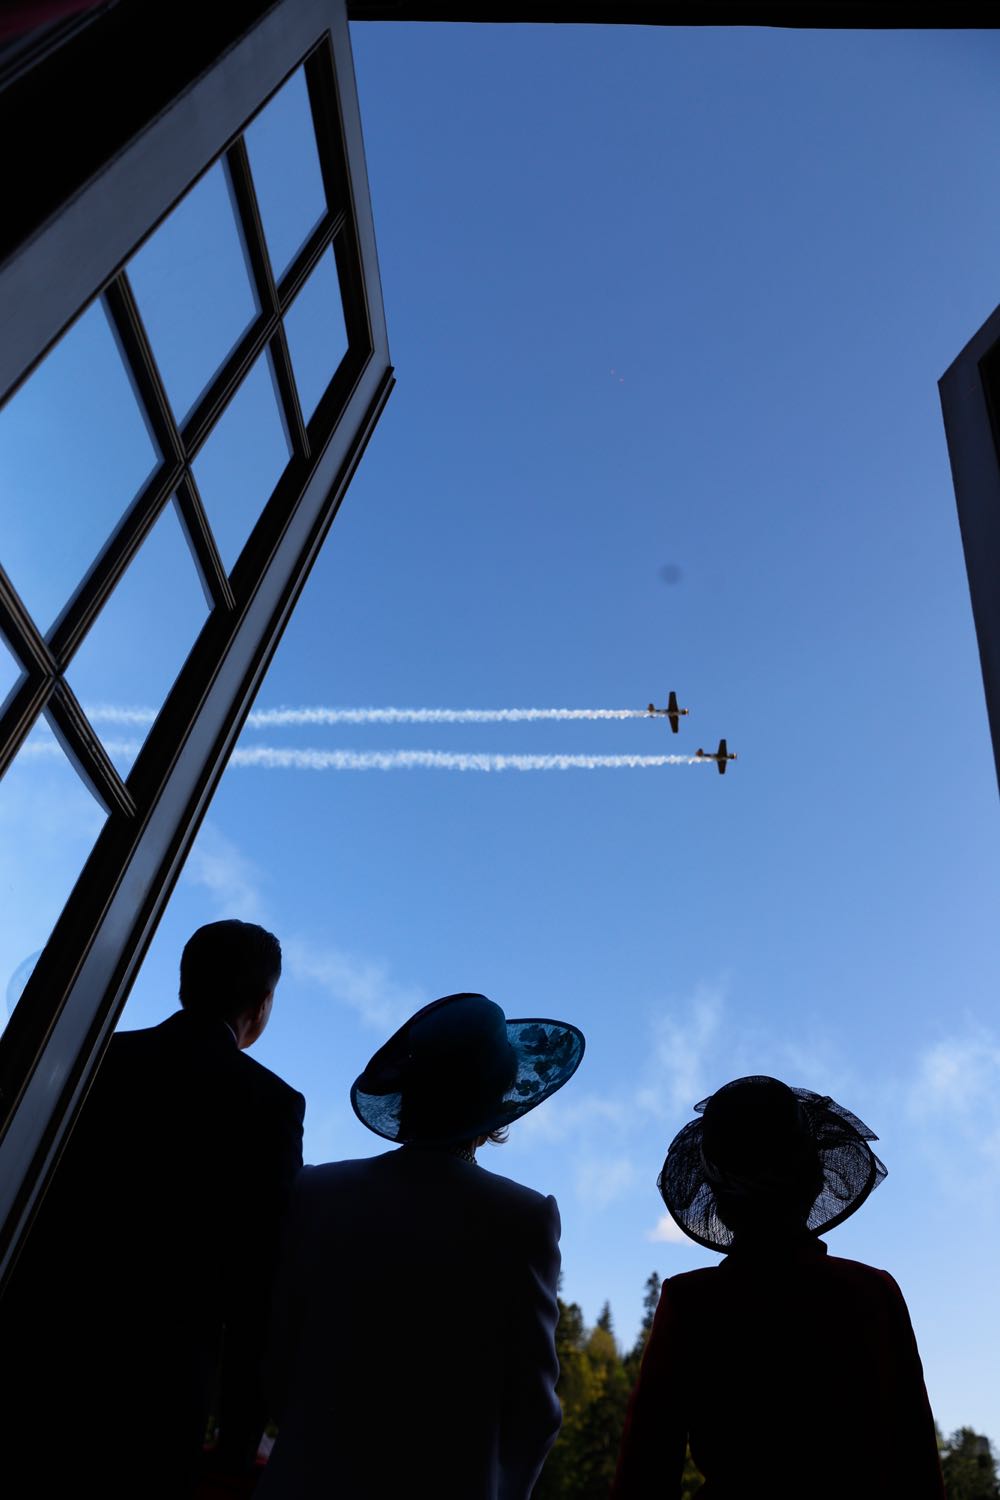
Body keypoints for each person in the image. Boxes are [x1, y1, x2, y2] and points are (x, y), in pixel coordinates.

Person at [3, 919, 305, 1499]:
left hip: (32, 1348)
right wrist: (237, 1442)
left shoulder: (96, 1059)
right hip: (156, 1392)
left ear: (184, 983)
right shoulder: (272, 1103)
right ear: (263, 1004)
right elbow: (258, 1277)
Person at [257, 991, 586, 1500]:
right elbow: (533, 1412)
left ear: (408, 1093)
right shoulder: (523, 1218)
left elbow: (275, 1362)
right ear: (498, 1097)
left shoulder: (318, 1190)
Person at [611, 1075, 945, 1500]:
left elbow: (644, 1473)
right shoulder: (873, 1293)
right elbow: (917, 1464)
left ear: (720, 1202)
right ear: (814, 1182)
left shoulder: (691, 1302)